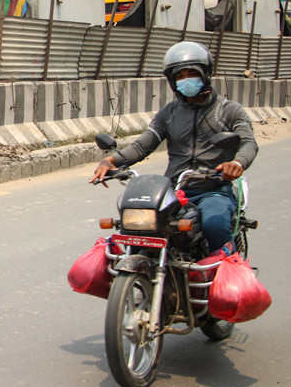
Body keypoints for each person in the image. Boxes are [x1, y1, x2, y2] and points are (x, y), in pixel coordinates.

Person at [89, 41, 258, 253]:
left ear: (205, 74)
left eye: (191, 73)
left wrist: (236, 163)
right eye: (179, 76)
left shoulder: (230, 110)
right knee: (135, 228)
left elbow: (248, 143)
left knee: (214, 225)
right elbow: (143, 145)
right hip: (174, 190)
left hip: (213, 190)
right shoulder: (169, 113)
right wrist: (110, 160)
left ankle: (226, 273)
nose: (186, 80)